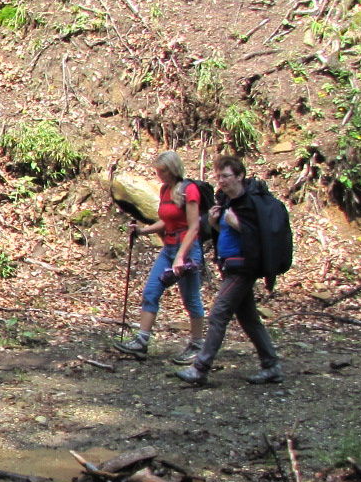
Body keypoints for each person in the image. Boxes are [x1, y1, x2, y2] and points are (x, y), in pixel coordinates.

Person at [176, 156, 283, 387]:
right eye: (218, 176)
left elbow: (259, 236)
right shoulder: (226, 201)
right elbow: (225, 233)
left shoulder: (250, 202)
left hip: (244, 268)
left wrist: (238, 224)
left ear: (240, 176)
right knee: (249, 319)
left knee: (218, 314)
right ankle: (272, 366)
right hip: (229, 265)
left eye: (225, 176)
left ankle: (200, 368)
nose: (221, 181)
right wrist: (215, 224)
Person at [113, 150, 206, 363]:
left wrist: (180, 257)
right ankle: (142, 341)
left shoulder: (188, 190)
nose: (160, 176)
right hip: (169, 247)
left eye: (163, 171)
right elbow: (167, 221)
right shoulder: (165, 190)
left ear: (173, 169)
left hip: (187, 250)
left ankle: (198, 345)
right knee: (151, 291)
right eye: (158, 171)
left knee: (191, 298)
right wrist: (142, 230)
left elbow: (194, 227)